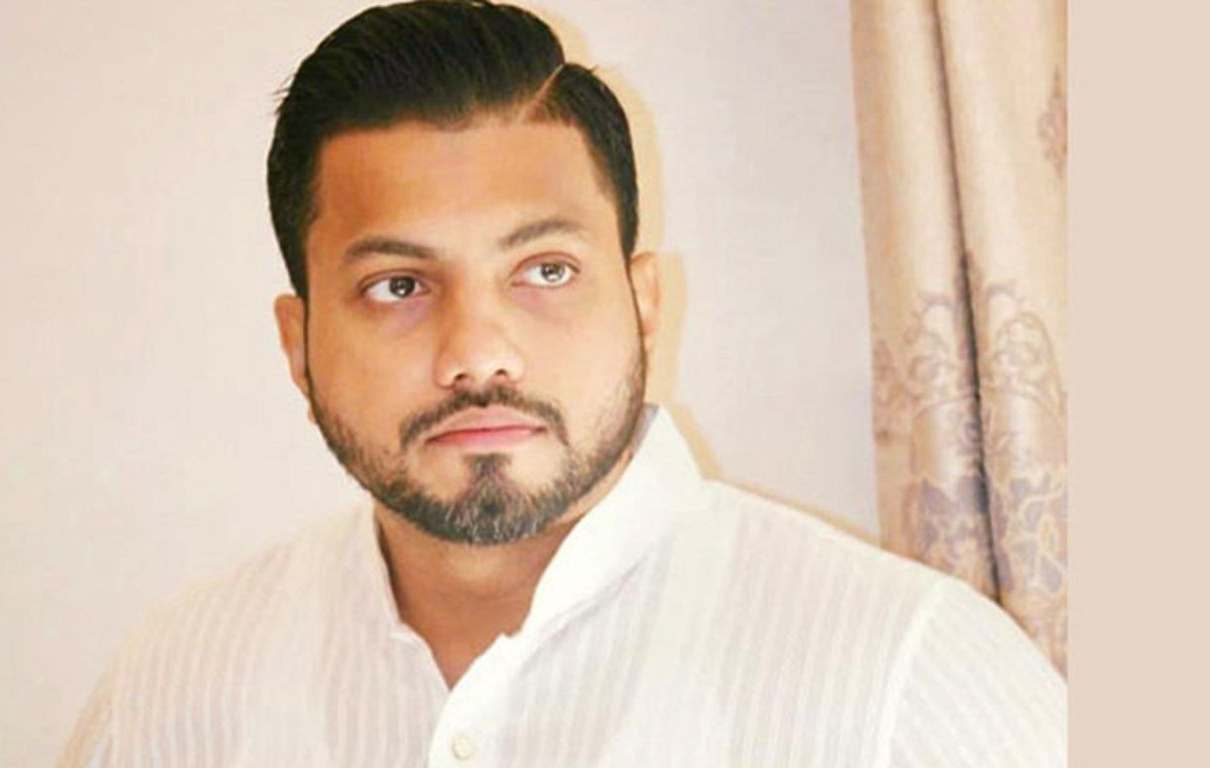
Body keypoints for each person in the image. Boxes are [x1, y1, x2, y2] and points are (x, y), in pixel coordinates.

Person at [57, 1, 1066, 765]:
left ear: (644, 304)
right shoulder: (166, 701)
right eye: (398, 285)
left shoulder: (913, 684)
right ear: (298, 343)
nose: (477, 353)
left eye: (544, 271)